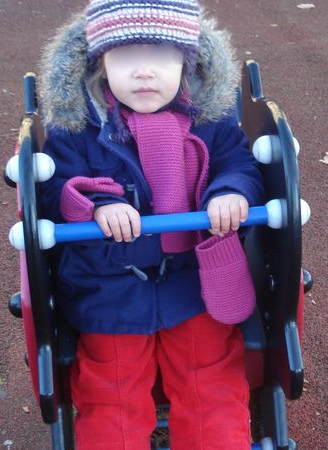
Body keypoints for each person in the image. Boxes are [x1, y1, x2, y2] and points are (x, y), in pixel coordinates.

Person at [38, 1, 264, 448]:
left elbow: (237, 164)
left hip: (195, 285)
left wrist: (231, 194)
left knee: (211, 382)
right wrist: (97, 203)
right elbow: (55, 187)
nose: (144, 72)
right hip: (108, 288)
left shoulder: (211, 120)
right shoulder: (76, 128)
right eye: (124, 57)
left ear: (186, 60)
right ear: (100, 63)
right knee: (110, 392)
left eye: (160, 54)